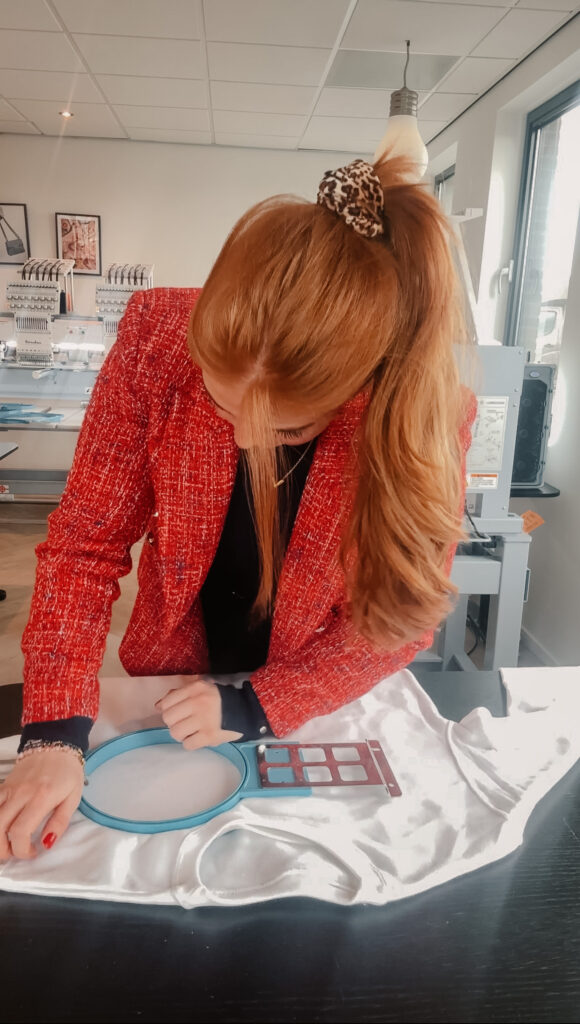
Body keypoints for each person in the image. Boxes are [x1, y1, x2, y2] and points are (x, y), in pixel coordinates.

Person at [0, 155, 478, 861]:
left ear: (355, 393)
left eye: (288, 431)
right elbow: (85, 545)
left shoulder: (420, 415)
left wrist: (259, 704)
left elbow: (396, 618)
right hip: (166, 679)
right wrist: (53, 731)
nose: (250, 442)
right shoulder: (156, 340)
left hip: (315, 692)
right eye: (222, 406)